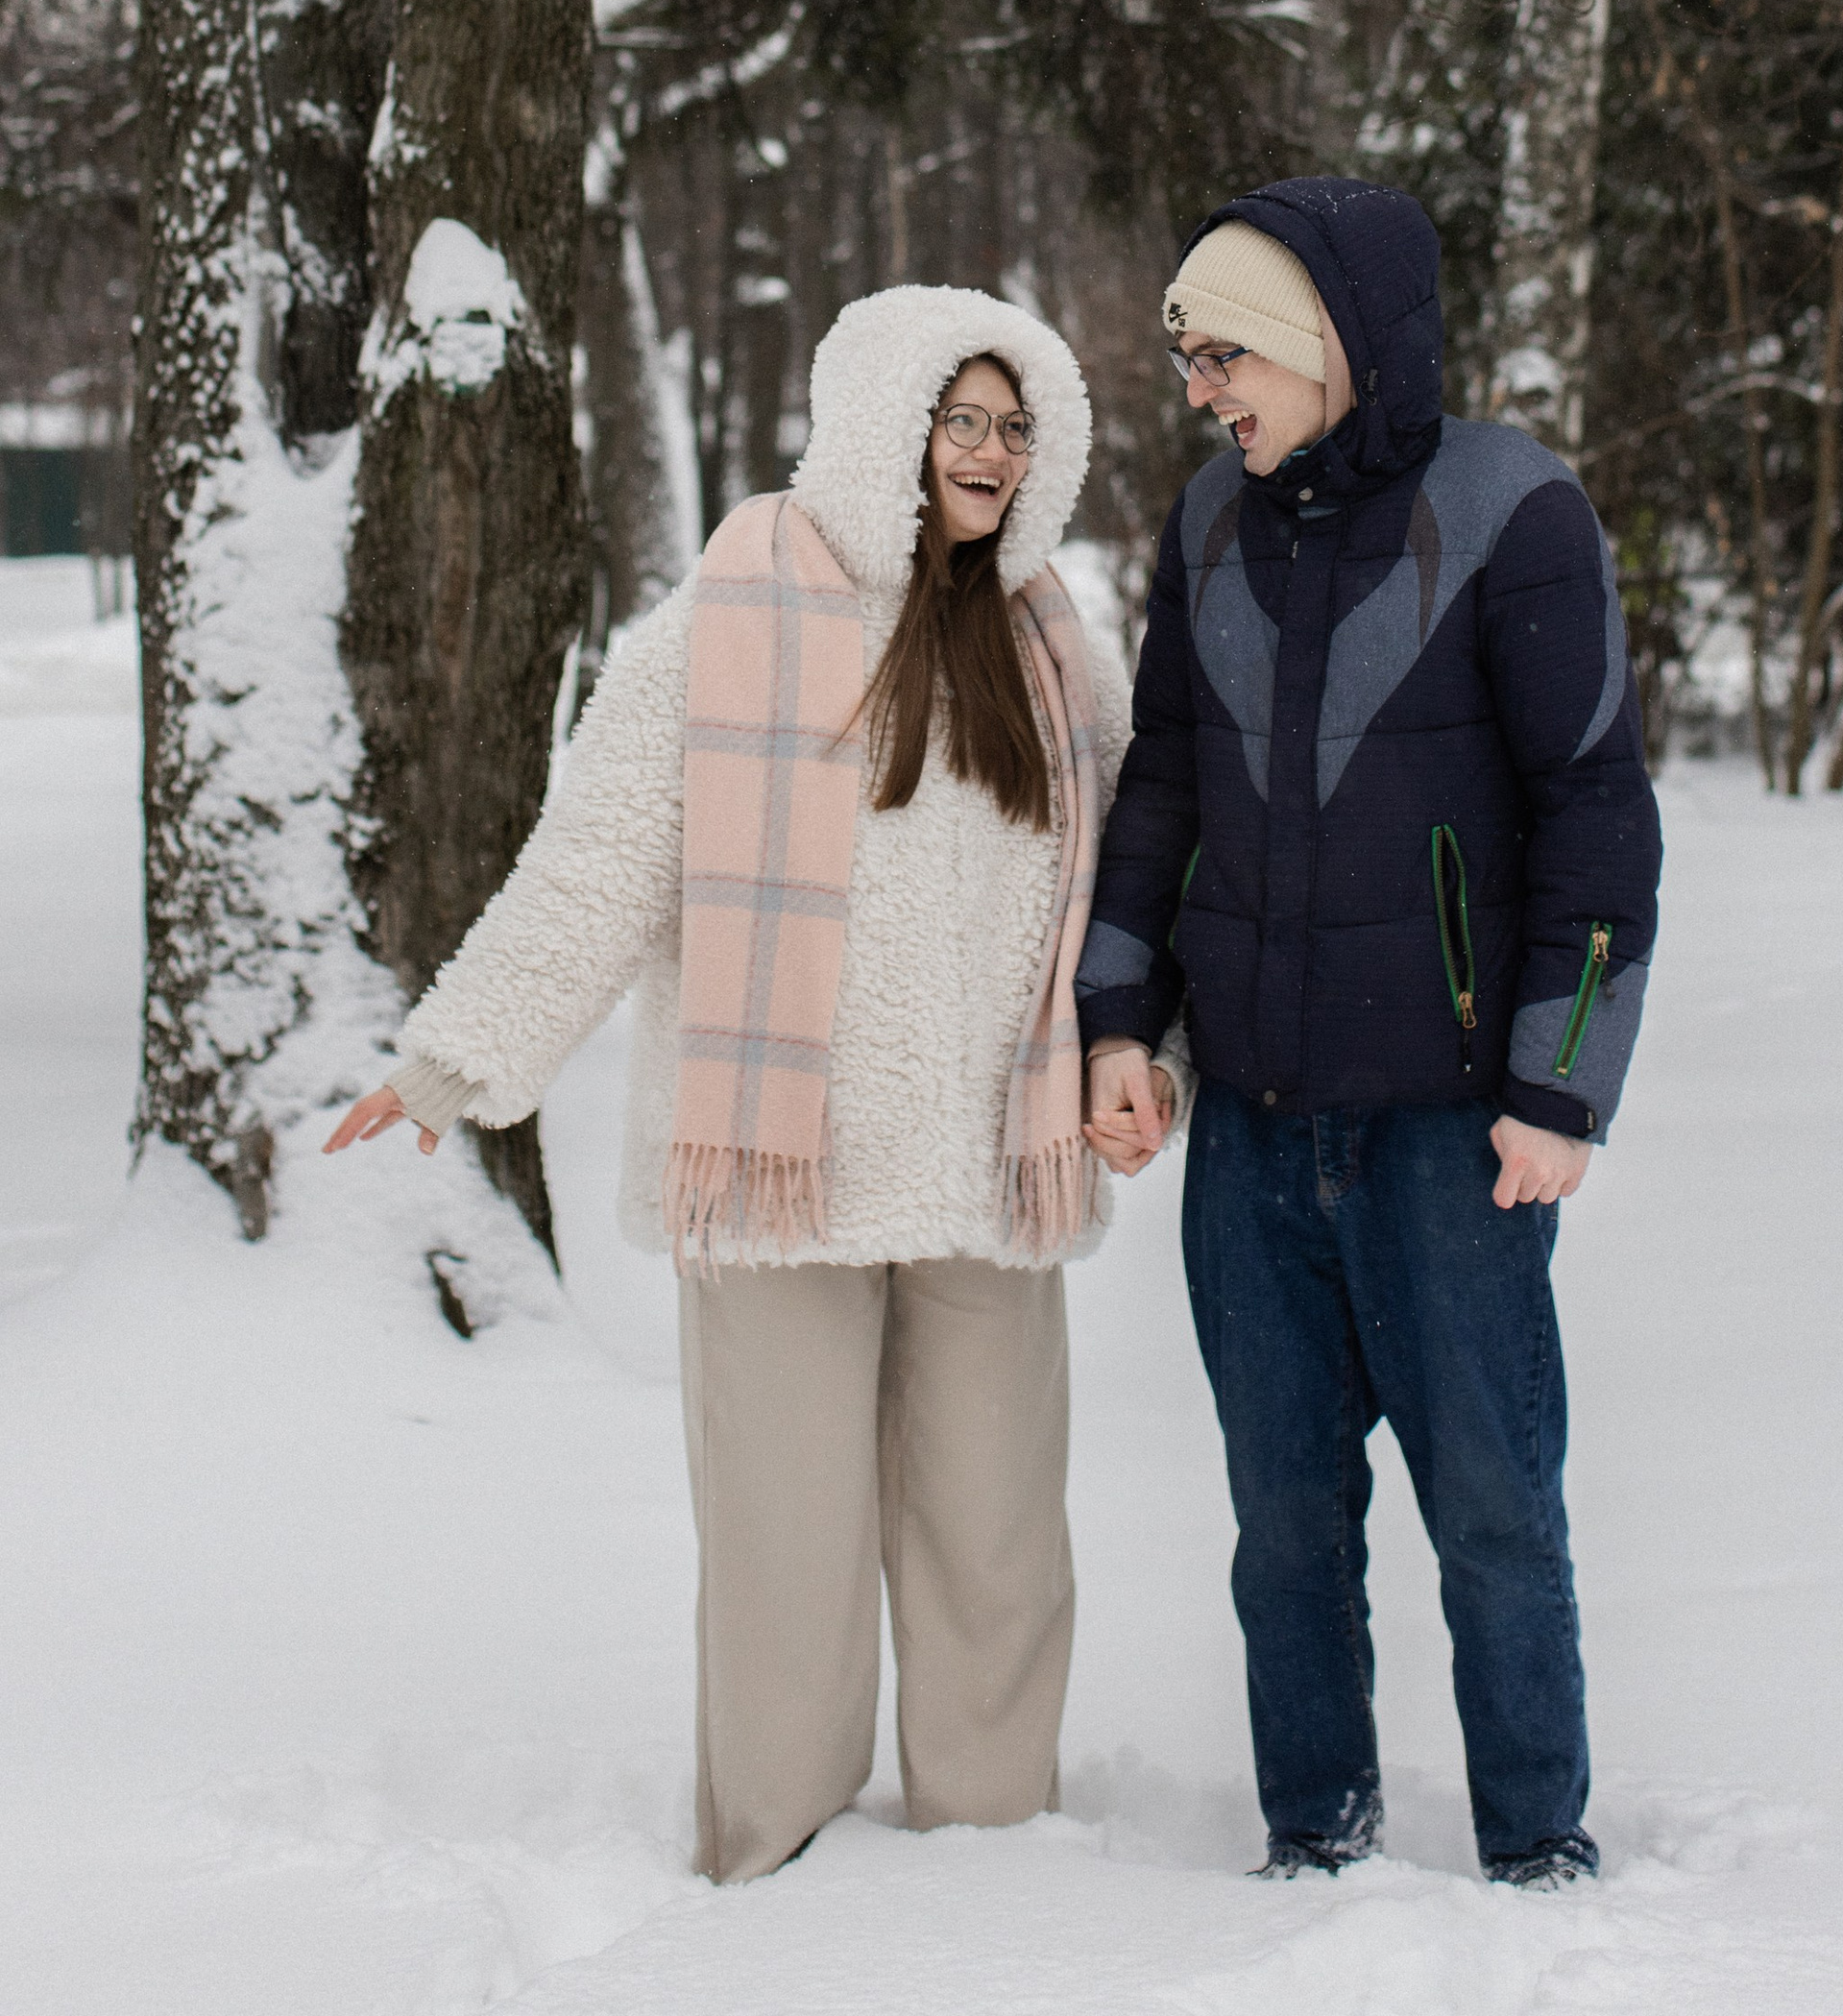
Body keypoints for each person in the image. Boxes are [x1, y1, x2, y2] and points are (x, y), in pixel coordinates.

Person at [327, 285, 1180, 1883]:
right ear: (883, 421)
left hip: (991, 1164)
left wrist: (1159, 1061)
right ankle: (774, 1867)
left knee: (995, 1548)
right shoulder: (721, 623)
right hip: (784, 1164)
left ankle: (997, 1871)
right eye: (960, 417)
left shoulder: (1053, 644)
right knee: (785, 1557)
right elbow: (597, 867)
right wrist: (456, 1056)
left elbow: (1132, 883)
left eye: (1013, 424)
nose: (989, 452)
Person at [1076, 179, 1661, 1892]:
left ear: (1329, 342)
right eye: (1191, 358)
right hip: (1252, 1121)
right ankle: (1312, 1832)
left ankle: (1535, 1839)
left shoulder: (1511, 508)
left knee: (1489, 1504)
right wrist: (1123, 1019)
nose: (1205, 388)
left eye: (1227, 352)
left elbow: (1596, 815)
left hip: (1450, 1127)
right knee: (1284, 1527)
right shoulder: (1204, 527)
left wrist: (1560, 1084)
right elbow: (1162, 791)